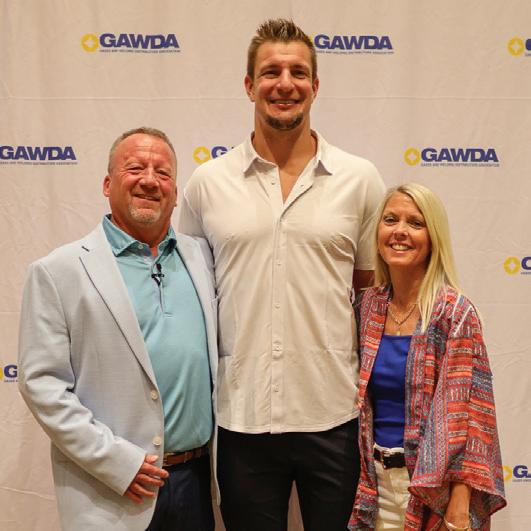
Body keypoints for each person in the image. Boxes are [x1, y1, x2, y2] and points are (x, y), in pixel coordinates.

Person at [179, 18, 385, 531]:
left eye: (298, 72)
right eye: (271, 72)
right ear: (250, 85)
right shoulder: (207, 183)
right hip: (241, 416)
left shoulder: (360, 179)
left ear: (315, 85)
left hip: (334, 415)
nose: (285, 84)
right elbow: (189, 296)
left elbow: (371, 296)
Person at [18, 127, 218, 531]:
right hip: (113, 490)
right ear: (108, 184)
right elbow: (42, 384)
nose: (150, 180)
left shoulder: (203, 258)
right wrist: (117, 463)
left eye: (163, 173)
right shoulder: (59, 271)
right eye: (135, 168)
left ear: (175, 193)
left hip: (196, 483)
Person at [349, 183, 506, 530]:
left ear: (433, 237)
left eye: (415, 223)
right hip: (372, 487)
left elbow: (472, 416)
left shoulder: (454, 313)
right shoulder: (368, 307)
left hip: (434, 490)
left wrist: (460, 504)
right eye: (391, 220)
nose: (400, 231)